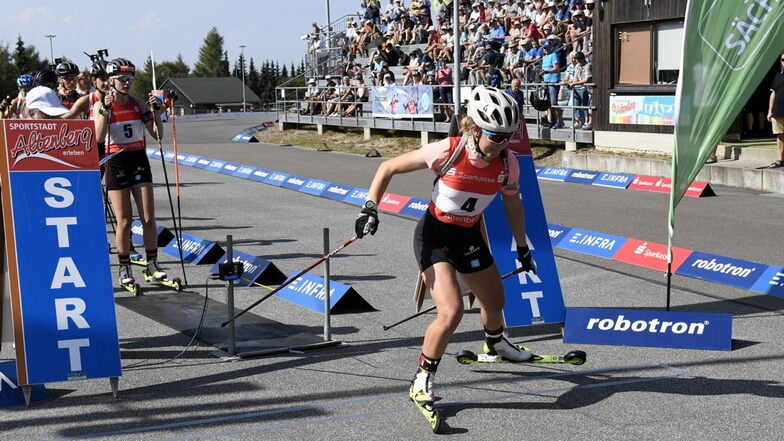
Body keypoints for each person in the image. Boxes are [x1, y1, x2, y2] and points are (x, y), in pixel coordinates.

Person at [353, 85, 538, 411]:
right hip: (434, 236)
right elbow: (387, 168)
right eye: (496, 136)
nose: (502, 144)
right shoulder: (448, 150)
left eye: (509, 136)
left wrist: (522, 247)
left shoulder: (509, 164)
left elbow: (513, 205)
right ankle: (421, 379)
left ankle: (494, 345)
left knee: (496, 301)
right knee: (450, 311)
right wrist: (369, 207)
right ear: (476, 128)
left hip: (467, 237)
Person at [92, 57, 168, 288]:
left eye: (130, 79)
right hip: (116, 161)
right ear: (111, 80)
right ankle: (124, 268)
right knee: (124, 220)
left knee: (148, 218)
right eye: (122, 79)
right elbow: (98, 137)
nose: (127, 83)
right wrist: (105, 110)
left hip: (138, 159)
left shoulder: (137, 103)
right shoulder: (100, 104)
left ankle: (152, 265)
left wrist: (157, 112)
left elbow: (157, 135)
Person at [768, 51, 784, 168]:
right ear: (781, 62)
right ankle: (780, 159)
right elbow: (773, 94)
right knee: (779, 136)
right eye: (783, 60)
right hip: (778, 111)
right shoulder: (778, 76)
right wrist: (770, 111)